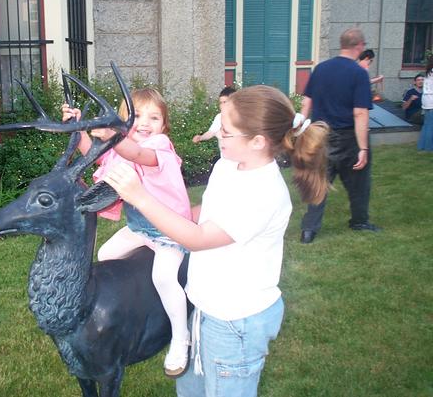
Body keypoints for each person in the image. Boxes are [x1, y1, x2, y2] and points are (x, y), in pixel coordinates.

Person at [103, 85, 330, 397]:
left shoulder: (263, 193)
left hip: (235, 324)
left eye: (225, 130)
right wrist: (168, 216)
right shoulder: (228, 165)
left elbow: (197, 238)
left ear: (257, 141)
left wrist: (141, 198)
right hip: (205, 308)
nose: (218, 134)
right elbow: (202, 214)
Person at [62, 88, 193, 378]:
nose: (145, 123)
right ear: (124, 122)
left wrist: (114, 136)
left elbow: (137, 154)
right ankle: (134, 303)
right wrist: (78, 127)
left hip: (169, 231)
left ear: (164, 125)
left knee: (165, 277)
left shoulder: (159, 147)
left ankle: (180, 336)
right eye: (137, 117)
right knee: (106, 253)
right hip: (140, 229)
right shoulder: (124, 146)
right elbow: (97, 156)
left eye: (154, 117)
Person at [299, 27, 380, 245]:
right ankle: (359, 221)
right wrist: (363, 148)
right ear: (360, 46)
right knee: (359, 182)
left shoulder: (321, 69)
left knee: (319, 182)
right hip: (348, 137)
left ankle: (308, 231)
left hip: (319, 135)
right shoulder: (359, 73)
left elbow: (307, 102)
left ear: (342, 44)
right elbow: (360, 112)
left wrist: (300, 128)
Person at [417, 57, 433, 151]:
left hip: (426, 101)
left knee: (426, 124)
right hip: (431, 101)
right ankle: (428, 147)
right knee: (430, 125)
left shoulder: (428, 72)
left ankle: (421, 146)